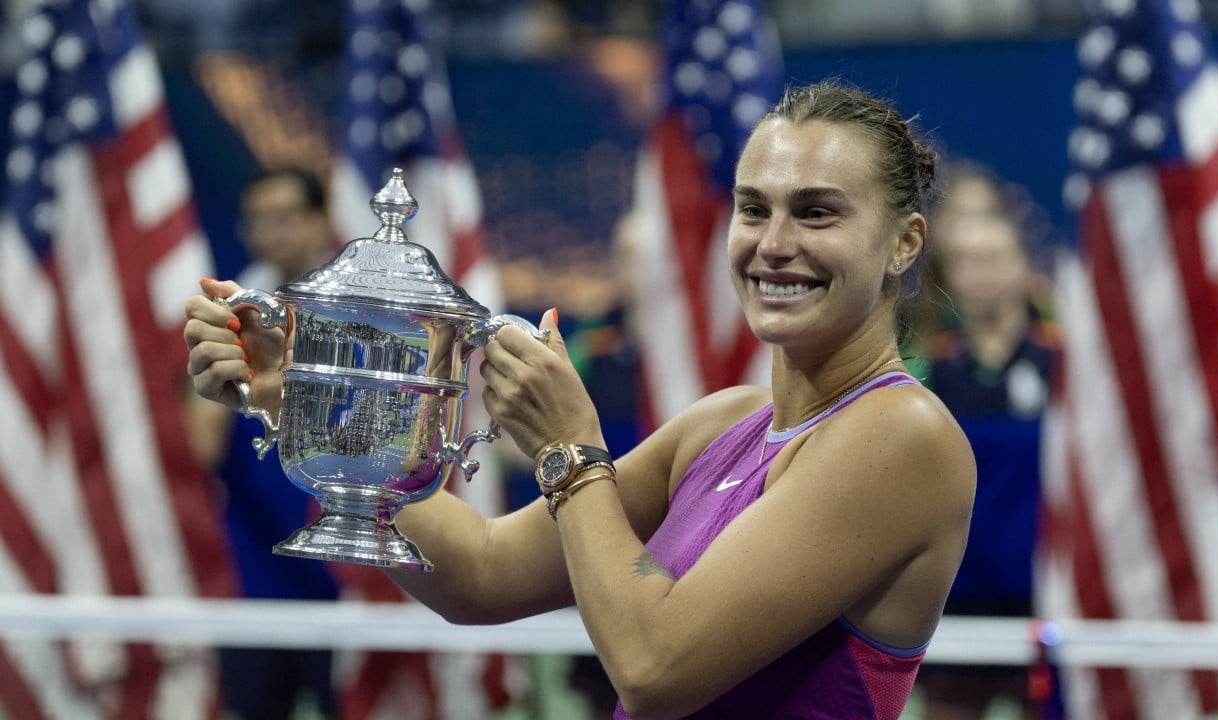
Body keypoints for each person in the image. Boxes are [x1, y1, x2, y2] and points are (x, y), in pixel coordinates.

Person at [185, 80, 977, 718]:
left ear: (905, 242)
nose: (773, 244)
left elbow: (655, 668)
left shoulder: (901, 434)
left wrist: (569, 451)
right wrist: (300, 399)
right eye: (753, 208)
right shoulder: (724, 424)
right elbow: (480, 575)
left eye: (816, 211)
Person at [185, 166, 340, 720]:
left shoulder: (362, 314)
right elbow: (202, 446)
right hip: (257, 569)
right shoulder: (230, 314)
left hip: (346, 570)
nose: (271, 233)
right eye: (258, 221)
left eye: (285, 218)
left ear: (322, 218)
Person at [914, 207, 1059, 720]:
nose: (982, 273)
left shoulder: (1066, 362)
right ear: (952, 275)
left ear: (1025, 267)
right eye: (969, 261)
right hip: (952, 600)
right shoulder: (924, 371)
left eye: (995, 258)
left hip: (1044, 599)